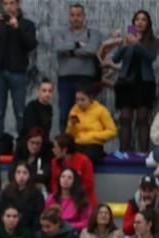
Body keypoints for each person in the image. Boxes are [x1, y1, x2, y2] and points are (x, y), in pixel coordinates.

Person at [0, 0, 37, 141]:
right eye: (6, 4)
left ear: (18, 4)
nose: (9, 7)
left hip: (18, 73)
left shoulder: (27, 24)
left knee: (20, 112)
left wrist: (18, 28)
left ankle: (22, 147)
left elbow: (31, 45)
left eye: (12, 3)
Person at [112, 10, 158, 154]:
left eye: (143, 19)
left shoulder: (154, 41)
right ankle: (124, 151)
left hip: (144, 83)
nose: (140, 22)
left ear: (148, 23)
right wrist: (124, 44)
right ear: (133, 22)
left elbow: (150, 57)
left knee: (143, 118)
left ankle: (143, 152)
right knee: (125, 118)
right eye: (137, 19)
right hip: (125, 83)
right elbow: (115, 59)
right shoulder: (127, 39)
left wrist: (137, 44)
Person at [53, 3, 102, 132]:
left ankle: (86, 144)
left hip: (86, 80)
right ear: (69, 17)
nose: (75, 18)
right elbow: (58, 48)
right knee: (65, 115)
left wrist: (69, 51)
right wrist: (79, 45)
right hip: (65, 80)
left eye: (79, 15)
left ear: (84, 16)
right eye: (73, 15)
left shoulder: (93, 33)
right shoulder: (60, 33)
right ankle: (65, 145)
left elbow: (91, 50)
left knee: (87, 115)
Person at [65, 84, 117, 164]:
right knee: (70, 156)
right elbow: (69, 135)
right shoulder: (74, 110)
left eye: (83, 100)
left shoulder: (101, 110)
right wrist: (71, 126)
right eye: (77, 99)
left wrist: (94, 136)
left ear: (91, 98)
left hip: (94, 144)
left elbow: (112, 131)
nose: (79, 103)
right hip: (78, 143)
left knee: (85, 158)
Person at [50, 133, 97, 207]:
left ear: (64, 150)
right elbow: (54, 183)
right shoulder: (54, 162)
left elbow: (88, 185)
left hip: (83, 201)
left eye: (55, 148)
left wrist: (71, 195)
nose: (53, 150)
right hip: (61, 201)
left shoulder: (84, 161)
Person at [0, 160, 45, 230]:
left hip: (29, 228)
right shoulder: (7, 191)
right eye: (18, 172)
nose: (21, 176)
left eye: (25, 173)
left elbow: (38, 215)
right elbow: (1, 211)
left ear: (29, 175)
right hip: (8, 228)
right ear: (14, 174)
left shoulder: (36, 193)